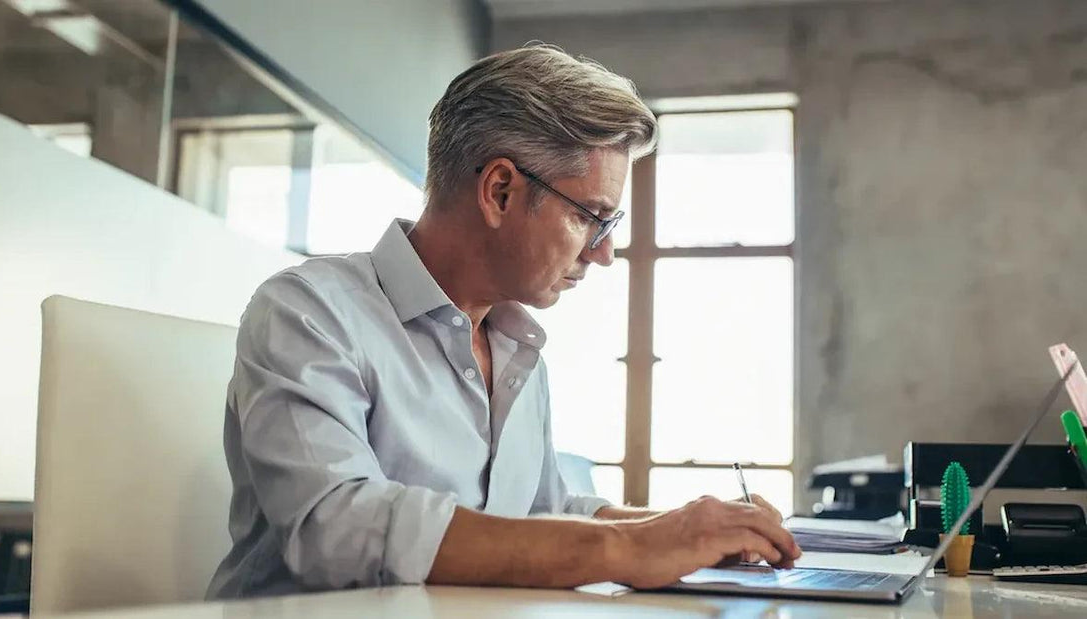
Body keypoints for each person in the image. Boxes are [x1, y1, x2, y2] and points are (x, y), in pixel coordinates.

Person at [207, 44, 801, 599]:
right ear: (499, 191)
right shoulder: (309, 312)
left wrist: (688, 530)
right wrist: (628, 546)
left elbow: (541, 511)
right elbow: (336, 528)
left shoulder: (515, 345)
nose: (603, 253)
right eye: (592, 217)